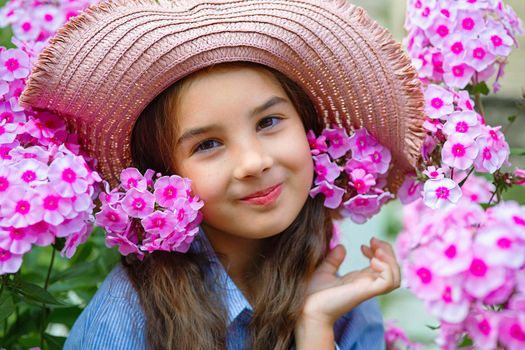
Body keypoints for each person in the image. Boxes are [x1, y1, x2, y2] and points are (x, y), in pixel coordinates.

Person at [19, 0, 425, 349]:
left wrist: (315, 324)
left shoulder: (345, 303)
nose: (253, 162)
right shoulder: (126, 318)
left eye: (269, 122)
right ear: (162, 184)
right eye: (207, 145)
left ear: (309, 131)